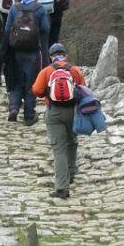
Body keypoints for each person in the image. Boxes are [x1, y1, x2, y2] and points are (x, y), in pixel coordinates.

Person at [31, 43, 86, 198]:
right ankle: (71, 172)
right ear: (65, 55)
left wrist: (47, 93)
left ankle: (62, 187)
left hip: (54, 112)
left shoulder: (47, 71)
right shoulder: (74, 70)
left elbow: (36, 90)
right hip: (72, 111)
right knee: (72, 141)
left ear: (51, 57)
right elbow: (84, 88)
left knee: (59, 149)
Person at [4, 0, 49, 126]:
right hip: (33, 51)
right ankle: (29, 115)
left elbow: (7, 29)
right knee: (31, 82)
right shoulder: (40, 9)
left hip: (15, 51)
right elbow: (46, 29)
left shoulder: (14, 8)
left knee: (16, 80)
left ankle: (14, 108)